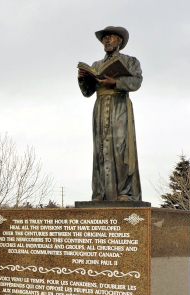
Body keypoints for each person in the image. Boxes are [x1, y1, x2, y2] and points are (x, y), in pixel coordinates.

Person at [78, 26, 142, 202]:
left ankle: (125, 193)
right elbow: (87, 92)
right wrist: (82, 78)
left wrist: (116, 82)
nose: (107, 40)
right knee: (100, 148)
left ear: (119, 41)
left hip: (119, 105)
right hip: (100, 106)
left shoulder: (130, 61)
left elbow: (136, 82)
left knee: (121, 147)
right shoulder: (96, 65)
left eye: (111, 37)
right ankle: (99, 193)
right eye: (105, 38)